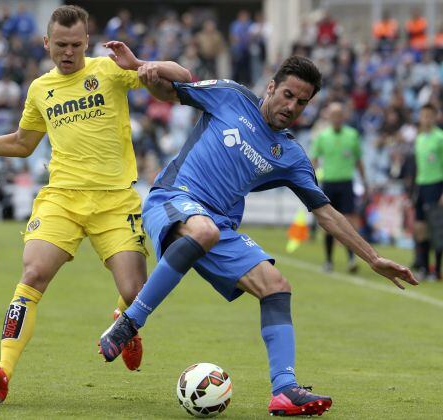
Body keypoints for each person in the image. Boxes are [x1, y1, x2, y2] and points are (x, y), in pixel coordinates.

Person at [99, 55, 418, 416]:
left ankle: (284, 389)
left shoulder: (291, 155)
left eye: (302, 102)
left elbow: (326, 213)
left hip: (217, 227)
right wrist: (144, 67)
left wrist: (373, 258)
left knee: (276, 285)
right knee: (204, 230)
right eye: (287, 94)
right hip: (174, 199)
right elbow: (168, 90)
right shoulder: (230, 96)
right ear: (271, 87)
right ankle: (128, 324)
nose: (292, 106)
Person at [0, 5, 192, 403]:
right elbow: (22, 143)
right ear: (47, 43)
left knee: (136, 289)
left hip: (115, 201)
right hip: (62, 199)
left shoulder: (108, 69)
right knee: (32, 274)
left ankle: (124, 320)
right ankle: (3, 370)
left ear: (87, 41)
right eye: (61, 45)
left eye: (76, 44)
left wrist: (141, 63)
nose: (68, 52)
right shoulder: (39, 89)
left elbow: (183, 77)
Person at [311, 102, 368, 273]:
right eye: (333, 115)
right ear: (328, 117)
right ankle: (329, 260)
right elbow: (314, 160)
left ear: (343, 117)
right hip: (329, 183)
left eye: (339, 115)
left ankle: (351, 259)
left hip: (346, 183)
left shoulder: (352, 135)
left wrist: (365, 181)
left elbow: (358, 161)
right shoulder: (322, 136)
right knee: (329, 223)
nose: (336, 118)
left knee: (348, 223)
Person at [413, 103, 443, 280]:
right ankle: (424, 268)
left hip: (436, 185)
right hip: (421, 186)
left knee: (437, 229)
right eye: (424, 115)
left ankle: (436, 270)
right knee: (420, 228)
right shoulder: (419, 138)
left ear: (435, 117)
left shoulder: (440, 138)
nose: (426, 119)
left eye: (430, 115)